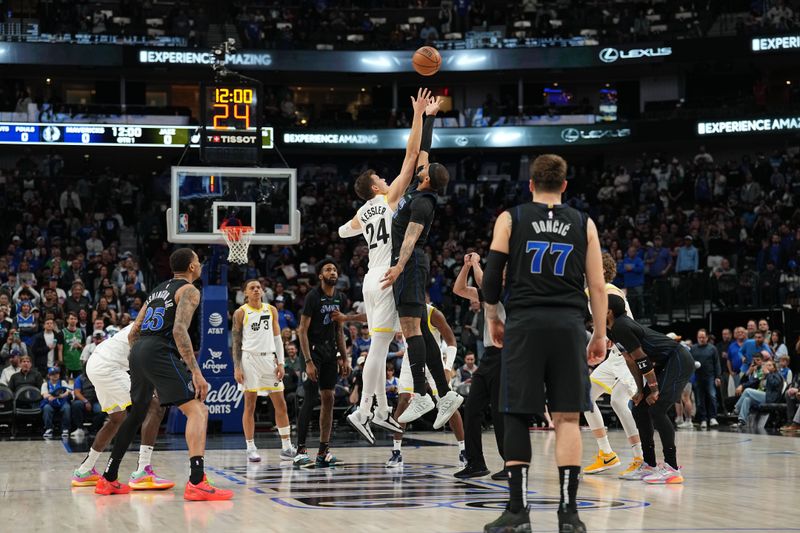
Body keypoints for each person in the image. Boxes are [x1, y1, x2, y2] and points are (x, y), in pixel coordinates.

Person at [481, 154, 607, 533]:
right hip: (569, 325)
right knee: (568, 416)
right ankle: (569, 514)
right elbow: (598, 286)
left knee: (517, 413)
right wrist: (599, 333)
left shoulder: (511, 218)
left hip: (525, 323)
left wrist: (492, 318)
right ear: (565, 186)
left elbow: (490, 278)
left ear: (531, 184)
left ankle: (518, 512)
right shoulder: (584, 223)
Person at [96, 249, 233, 500]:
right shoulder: (190, 290)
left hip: (138, 350)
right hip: (159, 349)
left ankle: (108, 478)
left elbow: (133, 331)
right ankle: (196, 481)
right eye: (198, 261)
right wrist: (196, 372)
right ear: (192, 267)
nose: (200, 265)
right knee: (198, 410)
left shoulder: (157, 289)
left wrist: (145, 362)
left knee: (136, 413)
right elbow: (180, 330)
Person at [339, 88, 431, 443]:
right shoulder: (389, 197)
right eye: (381, 177)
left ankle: (376, 410)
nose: (385, 178)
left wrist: (357, 222)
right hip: (388, 275)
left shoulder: (362, 211)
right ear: (377, 184)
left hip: (369, 278)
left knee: (380, 344)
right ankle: (364, 410)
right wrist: (418, 115)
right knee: (379, 348)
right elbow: (411, 155)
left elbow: (342, 232)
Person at [380, 92, 458, 429]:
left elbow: (410, 239)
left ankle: (424, 394)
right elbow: (422, 149)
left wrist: (398, 265)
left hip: (410, 264)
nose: (421, 166)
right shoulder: (421, 187)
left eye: (425, 169)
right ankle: (445, 392)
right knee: (420, 328)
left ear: (426, 179)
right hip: (409, 266)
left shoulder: (423, 203)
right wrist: (429, 116)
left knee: (410, 327)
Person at [70, 323, 173, 490]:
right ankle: (143, 472)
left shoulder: (147, 321)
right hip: (108, 366)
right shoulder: (153, 327)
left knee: (117, 419)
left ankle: (84, 470)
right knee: (156, 405)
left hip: (96, 364)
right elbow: (142, 360)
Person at [606, 294, 694, 484]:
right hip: (663, 363)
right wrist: (639, 390)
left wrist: (653, 389)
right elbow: (631, 361)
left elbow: (642, 359)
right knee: (639, 408)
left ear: (608, 311)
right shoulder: (611, 329)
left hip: (677, 358)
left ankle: (672, 468)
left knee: (657, 407)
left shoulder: (622, 325)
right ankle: (649, 464)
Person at [581, 253, 643, 479]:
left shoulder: (603, 290)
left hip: (628, 352)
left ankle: (640, 457)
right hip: (616, 353)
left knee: (618, 401)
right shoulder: (603, 290)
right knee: (586, 396)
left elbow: (618, 325)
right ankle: (606, 453)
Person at [388, 302, 464, 469]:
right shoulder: (401, 311)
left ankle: (463, 451)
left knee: (448, 403)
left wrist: (447, 367)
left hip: (434, 361)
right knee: (403, 401)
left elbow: (451, 341)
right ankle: (396, 452)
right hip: (411, 360)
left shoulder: (433, 313)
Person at [452, 252, 506, 480]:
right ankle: (476, 463)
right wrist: (466, 266)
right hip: (489, 356)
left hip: (507, 354)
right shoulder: (488, 292)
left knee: (500, 412)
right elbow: (459, 289)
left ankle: (513, 464)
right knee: (472, 408)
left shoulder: (512, 291)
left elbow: (485, 282)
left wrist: (475, 263)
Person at [293, 260, 351, 468]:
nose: (332, 272)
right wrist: (308, 361)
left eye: (334, 269)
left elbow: (339, 331)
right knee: (310, 397)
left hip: (329, 351)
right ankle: (300, 451)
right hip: (312, 350)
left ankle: (323, 451)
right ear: (320, 275)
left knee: (329, 397)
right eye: (328, 269)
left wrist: (344, 358)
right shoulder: (313, 296)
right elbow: (301, 331)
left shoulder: (340, 298)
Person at [232, 279, 297, 463]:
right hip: (249, 359)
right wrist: (237, 367)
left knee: (281, 404)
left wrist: (281, 363)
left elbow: (277, 338)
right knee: (250, 404)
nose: (256, 290)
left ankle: (286, 446)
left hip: (269, 359)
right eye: (252, 288)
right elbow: (236, 342)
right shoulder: (241, 312)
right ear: (245, 292)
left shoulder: (271, 310)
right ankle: (250, 447)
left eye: (259, 287)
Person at [690, 329, 721, 430]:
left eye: (703, 337)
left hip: (710, 376)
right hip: (698, 377)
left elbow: (717, 363)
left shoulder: (712, 348)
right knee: (700, 399)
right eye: (700, 337)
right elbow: (689, 362)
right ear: (697, 338)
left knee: (712, 396)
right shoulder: (693, 349)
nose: (702, 339)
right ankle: (703, 419)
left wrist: (718, 377)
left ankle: (713, 418)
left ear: (707, 338)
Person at [70, 366, 103, 438]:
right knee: (76, 405)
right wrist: (86, 401)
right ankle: (80, 428)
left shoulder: (98, 378)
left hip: (95, 401)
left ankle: (92, 429)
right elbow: (77, 392)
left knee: (101, 410)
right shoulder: (80, 378)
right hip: (83, 400)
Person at [41, 366, 72, 439]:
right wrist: (57, 395)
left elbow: (67, 392)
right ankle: (49, 428)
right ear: (48, 375)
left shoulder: (63, 382)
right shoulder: (45, 384)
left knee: (67, 408)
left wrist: (55, 397)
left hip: (62, 402)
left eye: (57, 373)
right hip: (50, 404)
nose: (55, 375)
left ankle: (65, 429)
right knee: (46, 408)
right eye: (52, 374)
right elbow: (44, 395)